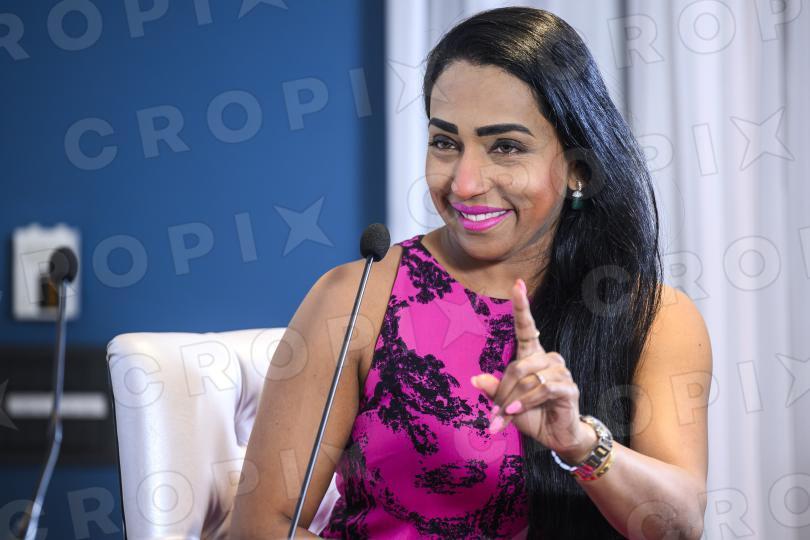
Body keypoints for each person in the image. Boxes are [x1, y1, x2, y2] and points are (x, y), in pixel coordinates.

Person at [230, 6, 711, 539]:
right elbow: (261, 526)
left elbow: (680, 526)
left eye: (505, 147)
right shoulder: (356, 296)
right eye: (445, 142)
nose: (463, 183)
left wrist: (578, 442)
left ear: (577, 168)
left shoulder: (655, 318)